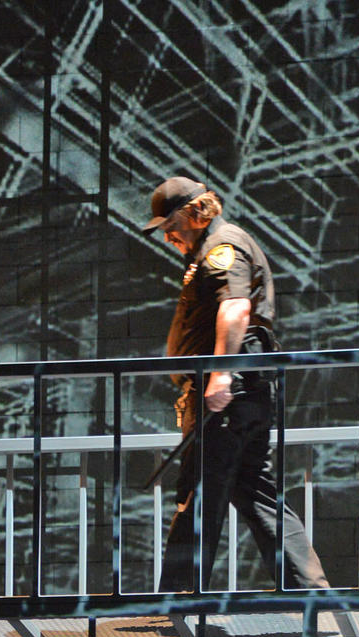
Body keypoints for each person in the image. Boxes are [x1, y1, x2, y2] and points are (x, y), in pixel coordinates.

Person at [142, 175, 331, 596]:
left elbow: (235, 307)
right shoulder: (214, 246)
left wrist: (221, 374)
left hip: (229, 393)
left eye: (169, 225)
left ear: (193, 212)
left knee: (199, 495)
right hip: (243, 391)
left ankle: (177, 604)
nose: (168, 236)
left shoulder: (220, 247)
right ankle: (311, 591)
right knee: (255, 493)